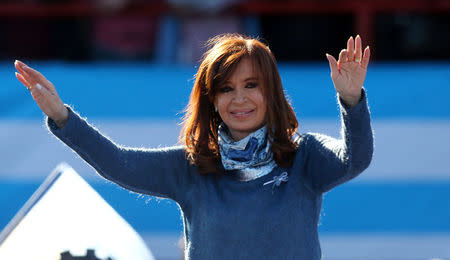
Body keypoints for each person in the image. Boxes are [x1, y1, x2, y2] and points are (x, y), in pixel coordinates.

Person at [14, 33, 373, 259]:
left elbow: (355, 159)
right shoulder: (192, 168)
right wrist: (62, 117)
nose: (240, 99)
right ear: (212, 100)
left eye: (251, 85)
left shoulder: (304, 156)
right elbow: (118, 163)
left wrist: (351, 99)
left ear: (271, 92)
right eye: (226, 89)